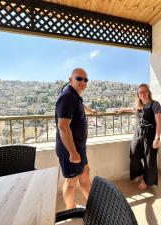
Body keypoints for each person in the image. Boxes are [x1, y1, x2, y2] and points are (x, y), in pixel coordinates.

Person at [55, 68, 91, 209]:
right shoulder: (67, 97)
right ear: (71, 80)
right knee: (71, 181)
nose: (83, 81)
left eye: (85, 79)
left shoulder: (75, 96)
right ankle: (70, 209)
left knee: (85, 173)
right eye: (79, 78)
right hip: (70, 148)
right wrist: (72, 152)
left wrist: (90, 111)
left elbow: (79, 107)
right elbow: (63, 127)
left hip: (78, 147)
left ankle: (92, 203)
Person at [117, 83, 161, 189]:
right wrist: (122, 110)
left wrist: (157, 138)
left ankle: (147, 181)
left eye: (144, 91)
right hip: (137, 134)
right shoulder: (138, 105)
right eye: (140, 92)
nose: (142, 94)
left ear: (148, 92)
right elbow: (131, 109)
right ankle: (139, 173)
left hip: (150, 135)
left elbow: (159, 123)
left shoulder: (155, 105)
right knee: (134, 155)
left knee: (149, 160)